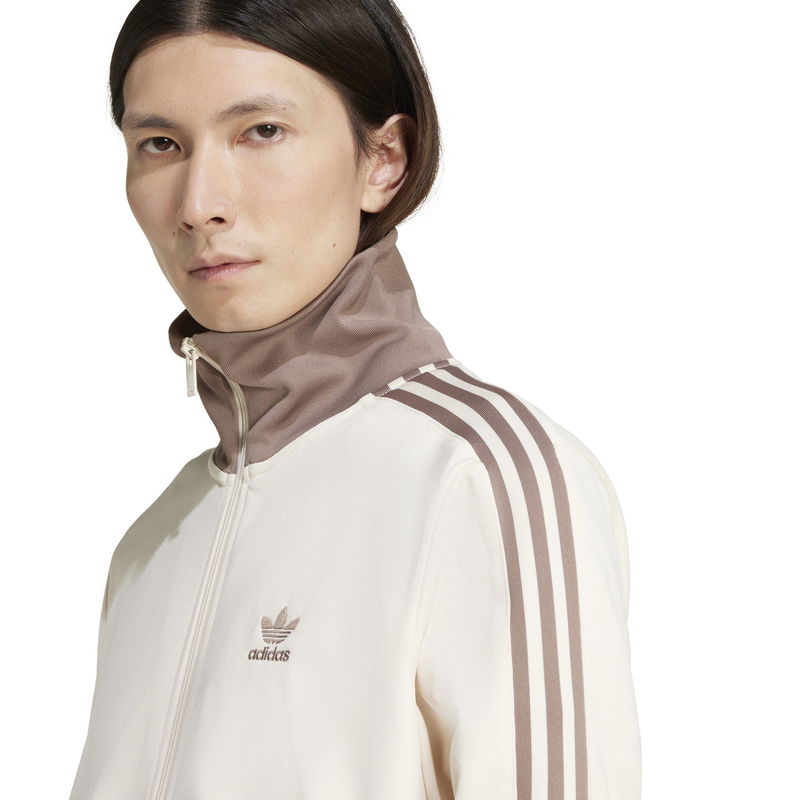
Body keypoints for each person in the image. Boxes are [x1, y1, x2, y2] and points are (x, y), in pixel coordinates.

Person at [69, 1, 641, 798]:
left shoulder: (481, 476)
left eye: (261, 131)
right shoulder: (154, 541)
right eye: (160, 144)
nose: (199, 204)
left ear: (384, 160)